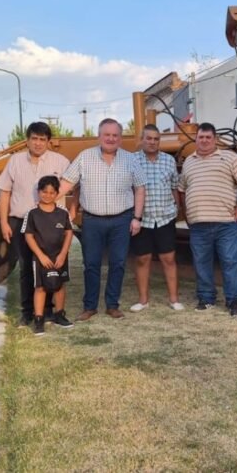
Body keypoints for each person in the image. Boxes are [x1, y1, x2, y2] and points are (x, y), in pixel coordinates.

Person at [58, 118, 146, 321]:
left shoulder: (130, 159)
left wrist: (137, 218)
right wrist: (47, 202)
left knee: (118, 263)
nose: (111, 139)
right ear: (99, 136)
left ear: (120, 138)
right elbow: (67, 183)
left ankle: (112, 305)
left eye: (115, 135)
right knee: (91, 264)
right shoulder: (85, 157)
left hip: (122, 220)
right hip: (92, 221)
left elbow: (140, 188)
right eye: (107, 135)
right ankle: (90, 306)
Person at [0, 121, 70, 327]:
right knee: (27, 268)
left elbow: (75, 185)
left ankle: (48, 311)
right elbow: (4, 191)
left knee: (51, 266)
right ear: (27, 141)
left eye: (42, 139)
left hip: (51, 224)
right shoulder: (15, 161)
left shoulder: (61, 162)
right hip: (21, 222)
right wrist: (4, 222)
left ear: (48, 141)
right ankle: (28, 312)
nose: (38, 143)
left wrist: (71, 212)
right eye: (34, 139)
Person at [178, 122, 237, 317]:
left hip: (226, 223)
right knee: (201, 262)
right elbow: (182, 189)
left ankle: (234, 302)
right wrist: (186, 214)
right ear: (196, 139)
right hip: (198, 225)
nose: (204, 141)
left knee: (231, 262)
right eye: (200, 137)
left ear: (215, 139)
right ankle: (206, 298)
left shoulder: (229, 157)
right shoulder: (188, 162)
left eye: (208, 137)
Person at [129, 124, 183, 312]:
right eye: (149, 138)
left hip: (165, 217)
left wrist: (177, 209)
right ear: (142, 140)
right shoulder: (132, 160)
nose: (152, 142)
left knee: (168, 258)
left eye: (156, 139)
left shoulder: (169, 160)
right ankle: (143, 300)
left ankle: (174, 300)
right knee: (142, 259)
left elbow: (174, 186)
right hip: (142, 219)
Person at [23, 176, 75, 335]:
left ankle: (59, 315)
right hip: (41, 257)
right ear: (39, 192)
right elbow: (28, 236)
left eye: (52, 192)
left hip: (59, 256)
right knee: (40, 287)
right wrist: (40, 255)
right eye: (44, 192)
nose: (48, 195)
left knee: (59, 285)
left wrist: (63, 254)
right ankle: (39, 320)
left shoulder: (63, 212)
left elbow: (69, 232)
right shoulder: (32, 213)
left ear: (57, 193)